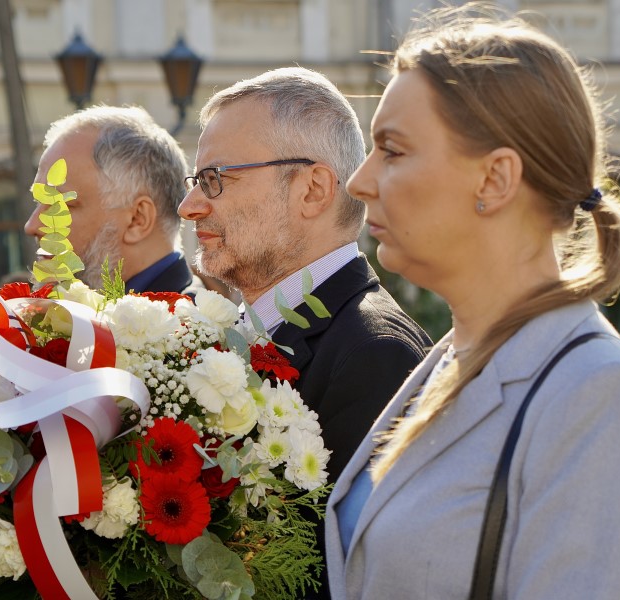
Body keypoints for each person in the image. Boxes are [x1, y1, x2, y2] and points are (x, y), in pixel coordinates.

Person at [325, 6, 620, 600]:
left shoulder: (605, 395)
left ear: (494, 179)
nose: (359, 181)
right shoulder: (448, 361)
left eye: (392, 150)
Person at [178, 67, 432, 598]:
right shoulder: (234, 329)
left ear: (313, 188)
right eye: (195, 181)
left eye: (216, 179)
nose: (190, 206)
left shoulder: (376, 355)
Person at [25, 104, 203, 295]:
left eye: (59, 206)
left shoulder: (187, 322)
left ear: (137, 219)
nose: (32, 226)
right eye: (39, 203)